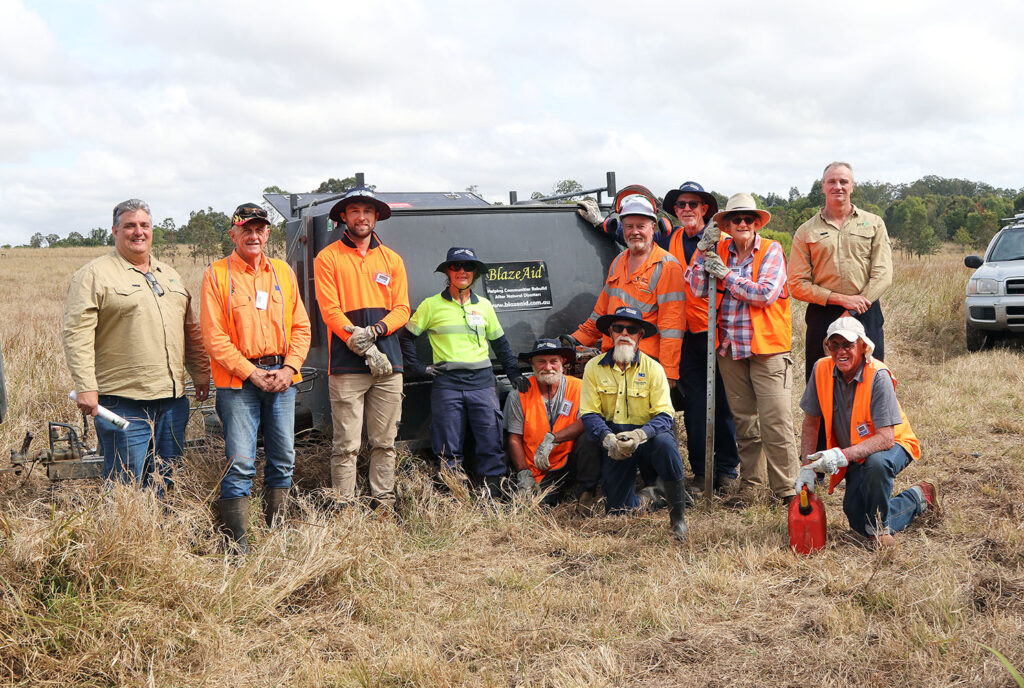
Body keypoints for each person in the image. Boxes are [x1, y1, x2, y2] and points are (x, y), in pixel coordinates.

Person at [63, 198, 210, 492]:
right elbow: (76, 333)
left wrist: (201, 371)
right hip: (122, 400)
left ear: (152, 230)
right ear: (115, 231)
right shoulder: (94, 275)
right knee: (125, 480)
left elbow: (189, 328)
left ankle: (160, 532)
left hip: (172, 399)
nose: (138, 232)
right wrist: (86, 385)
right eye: (130, 225)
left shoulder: (169, 274)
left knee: (167, 475)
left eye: (144, 225)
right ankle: (123, 535)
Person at [200, 203, 311, 551]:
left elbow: (301, 327)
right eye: (246, 229)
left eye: (260, 229)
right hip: (238, 385)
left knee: (283, 458)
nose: (254, 235)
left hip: (282, 379)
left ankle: (277, 534)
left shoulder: (282, 272)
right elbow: (214, 338)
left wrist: (290, 368)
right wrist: (252, 373)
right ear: (233, 233)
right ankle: (240, 546)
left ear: (267, 234)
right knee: (241, 463)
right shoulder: (216, 274)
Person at [688, 193, 798, 504]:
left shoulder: (772, 251)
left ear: (756, 223)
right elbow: (696, 288)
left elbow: (764, 294)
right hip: (731, 351)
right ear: (726, 225)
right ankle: (751, 486)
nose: (743, 224)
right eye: (736, 219)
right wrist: (701, 251)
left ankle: (787, 490)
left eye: (748, 219)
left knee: (776, 422)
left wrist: (726, 275)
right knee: (746, 423)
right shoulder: (717, 249)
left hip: (768, 351)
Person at [795, 317, 936, 547]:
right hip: (857, 452)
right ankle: (918, 498)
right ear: (827, 347)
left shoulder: (878, 375)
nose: (841, 352)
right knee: (858, 520)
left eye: (848, 345)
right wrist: (806, 469)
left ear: (863, 346)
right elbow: (811, 422)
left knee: (877, 464)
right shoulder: (821, 369)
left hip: (893, 444)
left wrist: (841, 456)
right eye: (835, 345)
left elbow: (886, 438)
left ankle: (881, 530)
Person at [403, 247, 529, 495]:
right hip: (447, 384)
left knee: (491, 444)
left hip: (482, 383)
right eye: (456, 266)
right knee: (447, 447)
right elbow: (405, 337)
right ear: (447, 272)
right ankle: (454, 501)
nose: (462, 271)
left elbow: (500, 343)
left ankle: (494, 498)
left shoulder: (484, 306)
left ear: (475, 274)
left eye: (468, 267)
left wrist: (513, 371)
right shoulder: (430, 306)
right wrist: (418, 368)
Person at [314, 187, 409, 509]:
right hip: (345, 365)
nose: (361, 217)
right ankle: (345, 509)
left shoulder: (392, 259)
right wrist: (358, 340)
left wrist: (376, 331)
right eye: (354, 211)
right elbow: (330, 310)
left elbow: (402, 309)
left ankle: (383, 503)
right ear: (344, 216)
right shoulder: (327, 257)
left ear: (376, 216)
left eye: (367, 211)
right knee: (346, 446)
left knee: (385, 443)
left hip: (389, 366)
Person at [579, 306, 689, 540]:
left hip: (647, 436)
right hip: (615, 439)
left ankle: (678, 518)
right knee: (619, 512)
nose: (624, 334)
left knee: (666, 445)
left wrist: (640, 435)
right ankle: (653, 496)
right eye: (618, 328)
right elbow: (589, 414)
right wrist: (608, 439)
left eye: (632, 329)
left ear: (640, 335)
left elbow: (665, 415)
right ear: (611, 332)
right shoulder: (593, 368)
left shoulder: (654, 368)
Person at [661, 182, 741, 493]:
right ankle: (701, 472)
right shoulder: (671, 238)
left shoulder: (723, 241)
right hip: (686, 336)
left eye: (693, 204)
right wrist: (604, 223)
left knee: (724, 403)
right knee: (696, 405)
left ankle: (726, 469)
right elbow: (633, 235)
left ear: (705, 209)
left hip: (719, 332)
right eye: (681, 204)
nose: (686, 209)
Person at [563, 195, 685, 386]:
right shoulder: (619, 261)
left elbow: (672, 328)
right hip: (612, 360)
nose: (635, 232)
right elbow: (600, 314)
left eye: (641, 226)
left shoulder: (667, 267)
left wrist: (668, 373)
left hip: (645, 365)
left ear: (653, 228)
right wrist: (572, 341)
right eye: (629, 226)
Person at [789, 162, 894, 381]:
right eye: (832, 181)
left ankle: (868, 417)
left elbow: (883, 274)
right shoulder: (806, 231)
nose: (838, 186)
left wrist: (855, 307)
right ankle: (824, 418)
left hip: (866, 312)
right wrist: (841, 300)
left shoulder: (873, 223)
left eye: (843, 181)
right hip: (823, 315)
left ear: (852, 186)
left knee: (871, 378)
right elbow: (797, 284)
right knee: (823, 380)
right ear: (823, 186)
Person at [503, 338, 600, 506]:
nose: (548, 367)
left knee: (590, 437)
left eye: (553, 361)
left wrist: (553, 439)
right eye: (541, 362)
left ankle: (586, 491)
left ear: (563, 363)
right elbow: (514, 438)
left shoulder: (579, 387)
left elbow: (588, 420)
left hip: (570, 460)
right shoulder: (519, 393)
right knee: (536, 507)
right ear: (532, 364)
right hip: (538, 468)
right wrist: (523, 473)